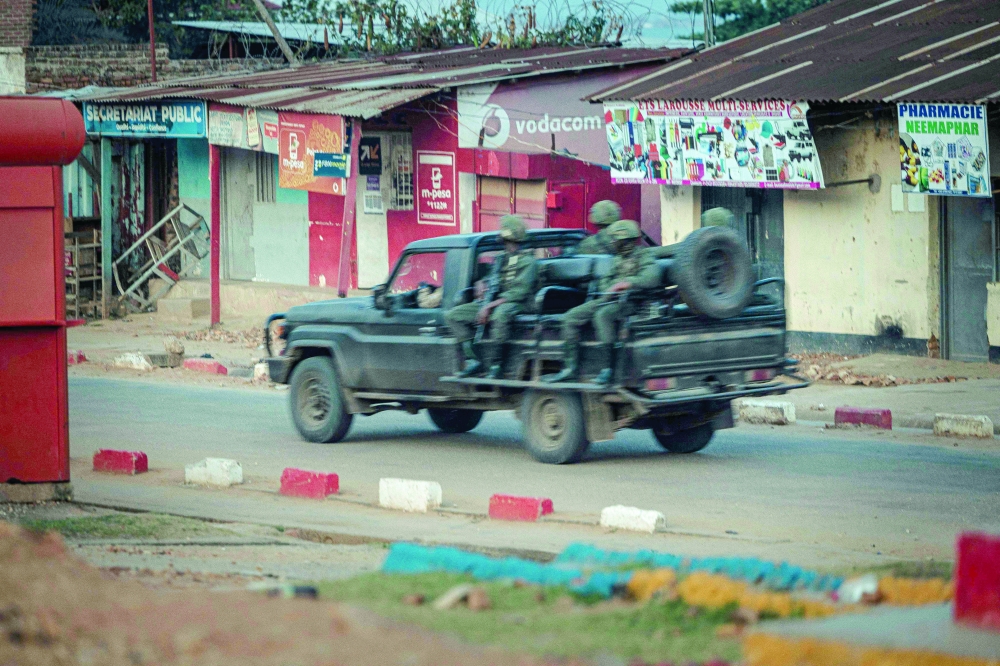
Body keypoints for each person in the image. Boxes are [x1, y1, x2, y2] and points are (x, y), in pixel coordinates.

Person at [544, 219, 660, 385]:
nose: (613, 242)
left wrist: (627, 283)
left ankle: (607, 369)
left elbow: (652, 277)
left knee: (602, 316)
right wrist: (611, 288)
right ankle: (570, 368)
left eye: (616, 240)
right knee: (571, 317)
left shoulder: (644, 255)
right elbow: (605, 280)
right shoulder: (617, 259)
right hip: (609, 298)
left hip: (633, 302)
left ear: (625, 240)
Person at [446, 215, 537, 379]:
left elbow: (518, 293)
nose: (507, 245)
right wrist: (481, 283)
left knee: (500, 316)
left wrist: (489, 306)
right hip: (495, 300)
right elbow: (493, 279)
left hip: (519, 303)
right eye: (506, 242)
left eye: (509, 241)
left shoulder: (529, 262)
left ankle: (496, 365)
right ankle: (473, 360)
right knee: (454, 315)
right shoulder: (502, 259)